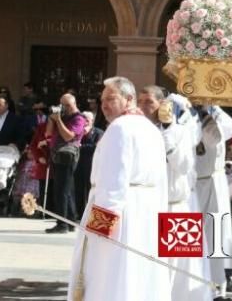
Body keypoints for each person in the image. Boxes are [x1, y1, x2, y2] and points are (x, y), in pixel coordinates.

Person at [68, 76, 169, 301]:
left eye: (111, 98)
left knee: (108, 276)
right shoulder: (152, 129)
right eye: (102, 99)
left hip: (120, 217)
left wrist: (99, 231)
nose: (104, 104)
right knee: (138, 275)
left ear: (129, 99)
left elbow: (112, 185)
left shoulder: (119, 128)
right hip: (147, 214)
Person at [156, 93, 212, 301]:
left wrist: (169, 132)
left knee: (184, 270)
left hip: (180, 204)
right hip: (156, 204)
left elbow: (183, 165)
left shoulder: (183, 131)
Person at [194, 103, 232, 294]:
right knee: (184, 236)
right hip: (187, 184)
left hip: (212, 181)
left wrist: (204, 113)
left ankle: (217, 287)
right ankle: (182, 288)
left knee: (214, 238)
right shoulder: (178, 111)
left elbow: (217, 136)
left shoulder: (215, 112)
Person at [45, 93, 86, 234]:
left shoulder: (79, 118)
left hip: (67, 157)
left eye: (66, 105)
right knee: (67, 191)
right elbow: (48, 133)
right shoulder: (61, 117)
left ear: (72, 104)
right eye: (61, 104)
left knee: (61, 191)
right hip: (57, 156)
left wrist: (59, 121)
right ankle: (70, 221)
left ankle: (62, 224)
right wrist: (53, 118)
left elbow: (68, 136)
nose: (64, 108)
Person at [74, 111, 103, 221]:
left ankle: (90, 214)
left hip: (92, 165)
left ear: (92, 121)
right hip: (78, 164)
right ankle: (80, 213)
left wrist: (81, 146)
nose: (85, 121)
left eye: (87, 119)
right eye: (83, 119)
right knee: (78, 189)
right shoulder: (78, 131)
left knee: (90, 189)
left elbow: (96, 147)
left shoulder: (98, 132)